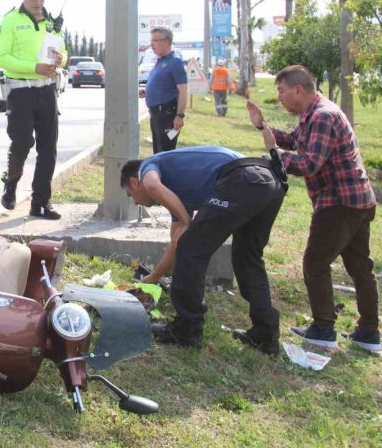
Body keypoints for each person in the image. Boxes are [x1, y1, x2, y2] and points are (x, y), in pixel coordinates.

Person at [247, 65, 380, 352]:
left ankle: (323, 328)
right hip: (357, 200)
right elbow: (296, 139)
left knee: (315, 264)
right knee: (360, 267)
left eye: (282, 91)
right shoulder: (314, 113)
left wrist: (275, 156)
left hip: (339, 203)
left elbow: (308, 164)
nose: (279, 97)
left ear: (298, 90)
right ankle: (369, 333)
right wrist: (263, 126)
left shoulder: (323, 115)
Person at [121, 145, 286, 353]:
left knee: (194, 250)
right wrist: (152, 278)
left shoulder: (148, 167)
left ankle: (187, 329)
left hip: (243, 178)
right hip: (269, 182)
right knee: (247, 258)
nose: (136, 203)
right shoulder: (176, 193)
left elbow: (152, 185)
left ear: (135, 182)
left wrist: (185, 220)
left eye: (131, 195)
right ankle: (266, 334)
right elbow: (177, 245)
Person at [0, 0, 67, 220]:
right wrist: (33, 68)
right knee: (23, 142)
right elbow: (1, 58)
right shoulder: (11, 20)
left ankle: (41, 203)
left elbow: (64, 52)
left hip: (47, 90)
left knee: (49, 149)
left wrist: (61, 60)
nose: (38, 1)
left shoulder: (51, 23)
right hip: (21, 90)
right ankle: (11, 183)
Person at [139, 27, 187, 153]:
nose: (152, 44)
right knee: (158, 152)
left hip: (167, 115)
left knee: (164, 153)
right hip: (156, 115)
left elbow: (183, 90)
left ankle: (166, 173)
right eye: (151, 41)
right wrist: (148, 92)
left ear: (166, 41)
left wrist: (180, 115)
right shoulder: (160, 61)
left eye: (155, 40)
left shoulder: (175, 62)